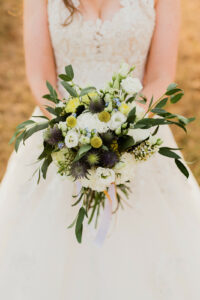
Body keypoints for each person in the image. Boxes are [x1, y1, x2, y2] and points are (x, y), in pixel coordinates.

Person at [0, 0, 200, 299]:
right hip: (61, 132)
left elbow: (160, 77)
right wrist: (72, 129)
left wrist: (124, 129)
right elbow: (42, 79)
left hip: (136, 130)